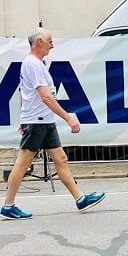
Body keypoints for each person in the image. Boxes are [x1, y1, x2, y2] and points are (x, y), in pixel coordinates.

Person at [1, 28, 105, 220]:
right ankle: (8, 205)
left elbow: (24, 92)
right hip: (38, 121)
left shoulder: (37, 63)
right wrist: (68, 117)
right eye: (49, 40)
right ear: (39, 42)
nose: (52, 44)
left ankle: (80, 198)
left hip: (44, 120)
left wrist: (24, 118)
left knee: (61, 158)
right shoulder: (32, 64)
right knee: (23, 163)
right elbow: (46, 96)